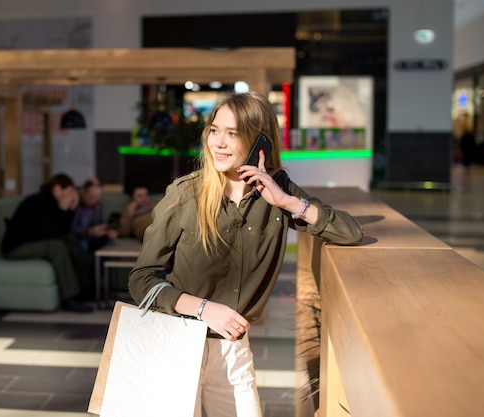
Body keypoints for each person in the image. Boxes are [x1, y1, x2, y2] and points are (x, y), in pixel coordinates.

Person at [128, 92, 363, 417]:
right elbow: (142, 280)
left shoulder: (278, 191)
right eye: (214, 130)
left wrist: (288, 203)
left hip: (233, 349)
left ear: (259, 141)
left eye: (233, 133)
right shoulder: (185, 195)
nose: (219, 143)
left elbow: (351, 232)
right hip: (178, 343)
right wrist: (205, 310)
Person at [0, 173, 93, 313]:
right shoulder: (40, 202)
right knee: (57, 247)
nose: (71, 196)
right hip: (15, 247)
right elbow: (54, 234)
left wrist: (70, 211)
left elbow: (63, 232)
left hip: (34, 241)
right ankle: (69, 298)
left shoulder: (54, 202)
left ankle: (83, 289)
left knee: (71, 240)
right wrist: (63, 209)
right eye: (68, 192)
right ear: (57, 189)